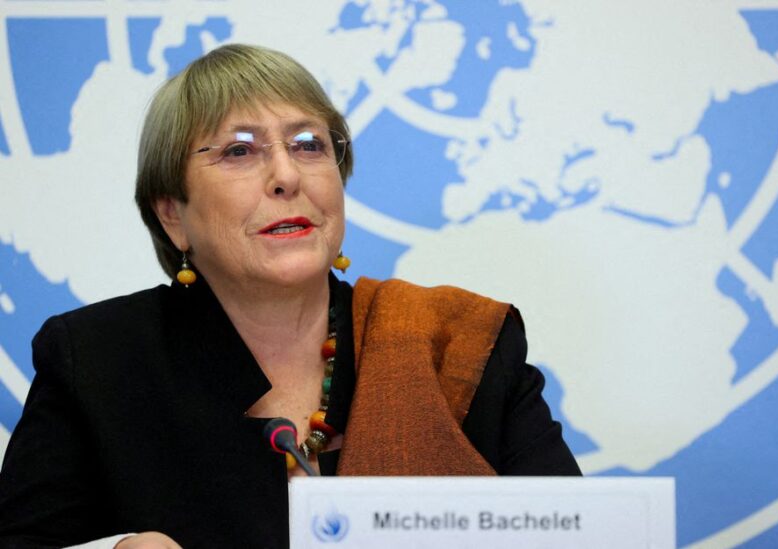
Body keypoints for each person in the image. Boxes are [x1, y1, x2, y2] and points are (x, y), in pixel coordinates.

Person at [0, 44, 580, 548]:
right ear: (172, 214)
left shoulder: (459, 345)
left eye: (308, 145)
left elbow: (580, 536)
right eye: (238, 151)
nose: (286, 175)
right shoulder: (97, 363)